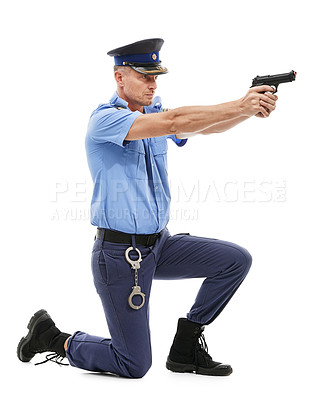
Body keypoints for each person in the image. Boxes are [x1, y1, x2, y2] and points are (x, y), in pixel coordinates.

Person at [17, 38, 278, 377]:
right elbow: (175, 123)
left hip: (160, 244)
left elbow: (205, 126)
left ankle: (186, 346)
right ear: (119, 77)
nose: (152, 83)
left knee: (235, 260)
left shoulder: (155, 112)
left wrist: (247, 112)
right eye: (143, 76)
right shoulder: (105, 120)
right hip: (120, 255)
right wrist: (239, 104)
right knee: (134, 363)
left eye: (156, 76)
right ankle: (54, 338)